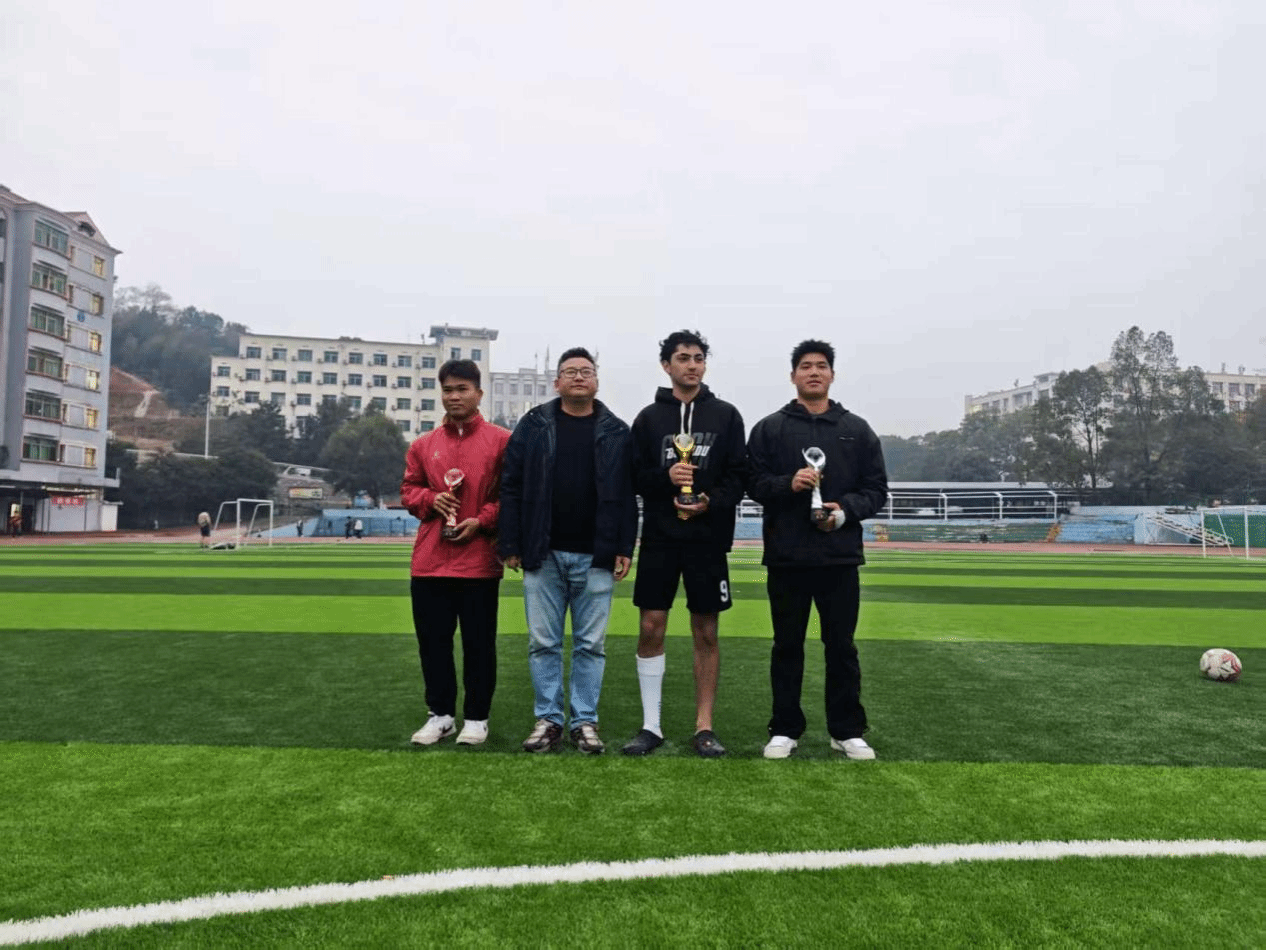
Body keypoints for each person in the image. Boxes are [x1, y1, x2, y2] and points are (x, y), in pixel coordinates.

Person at [746, 339, 889, 761]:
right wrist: (787, 484)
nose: (814, 372)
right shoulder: (770, 428)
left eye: (821, 366)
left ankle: (846, 730)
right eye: (806, 366)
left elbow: (876, 489)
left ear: (832, 374)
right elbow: (752, 483)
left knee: (841, 647)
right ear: (793, 375)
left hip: (839, 556)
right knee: (786, 646)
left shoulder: (856, 429)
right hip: (787, 555)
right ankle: (784, 728)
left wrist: (843, 512)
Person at [498, 347, 637, 755]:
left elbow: (627, 494)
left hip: (596, 553)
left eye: (586, 371)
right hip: (543, 551)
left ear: (596, 381)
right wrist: (511, 542)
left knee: (590, 645)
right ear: (557, 382)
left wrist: (624, 545)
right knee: (543, 642)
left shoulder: (616, 431)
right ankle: (548, 720)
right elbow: (511, 484)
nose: (579, 376)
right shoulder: (534, 424)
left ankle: (584, 721)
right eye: (570, 371)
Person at [622, 330, 746, 758]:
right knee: (650, 626)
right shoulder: (648, 419)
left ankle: (704, 727)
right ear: (666, 365)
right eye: (683, 358)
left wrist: (710, 501)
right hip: (660, 538)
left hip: (707, 540)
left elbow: (739, 477)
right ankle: (650, 725)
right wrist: (665, 478)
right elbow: (634, 477)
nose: (692, 365)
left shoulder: (726, 416)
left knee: (706, 630)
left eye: (698, 358)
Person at [401, 359, 511, 747]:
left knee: (479, 646)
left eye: (463, 389)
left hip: (479, 562)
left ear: (479, 393)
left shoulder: (501, 442)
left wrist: (482, 520)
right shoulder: (423, 445)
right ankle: (441, 716)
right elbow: (409, 491)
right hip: (430, 562)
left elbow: (511, 496)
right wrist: (431, 499)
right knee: (433, 645)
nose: (454, 396)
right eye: (448, 390)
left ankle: (477, 718)